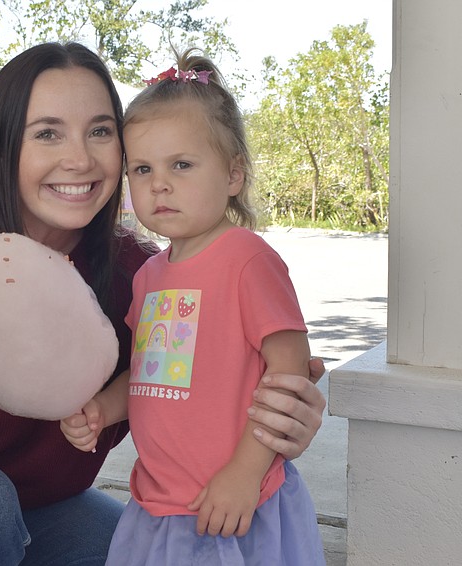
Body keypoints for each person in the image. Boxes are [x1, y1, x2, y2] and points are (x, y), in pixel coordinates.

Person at [0, 41, 326, 566]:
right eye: (47, 133)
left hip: (40, 511)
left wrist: (276, 421)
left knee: (133, 547)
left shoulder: (134, 274)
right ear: (4, 147)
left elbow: (206, 378)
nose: (79, 159)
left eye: (99, 131)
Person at [61, 48, 326, 565]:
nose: (159, 183)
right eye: (142, 168)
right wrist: (102, 410)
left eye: (181, 164)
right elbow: (147, 371)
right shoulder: (148, 276)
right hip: (160, 506)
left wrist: (244, 475)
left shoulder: (247, 260)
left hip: (237, 505)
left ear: (233, 175)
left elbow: (290, 373)